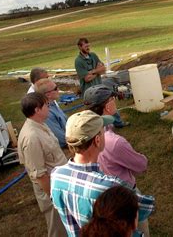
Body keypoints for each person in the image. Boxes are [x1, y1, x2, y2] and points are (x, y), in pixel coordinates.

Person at [50, 110, 154, 237]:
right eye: (103, 131)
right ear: (97, 140)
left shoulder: (56, 176)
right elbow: (143, 209)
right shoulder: (110, 186)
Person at [84, 85, 149, 236]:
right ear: (107, 106)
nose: (115, 101)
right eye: (113, 99)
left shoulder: (86, 131)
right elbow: (141, 165)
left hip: (102, 197)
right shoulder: (114, 142)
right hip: (124, 196)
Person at [17, 92, 68, 237]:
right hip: (51, 191)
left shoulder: (41, 125)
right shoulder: (32, 137)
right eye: (46, 105)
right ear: (37, 110)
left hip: (59, 185)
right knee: (58, 230)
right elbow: (39, 175)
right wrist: (54, 197)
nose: (49, 107)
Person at [74, 37, 129, 128]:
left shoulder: (93, 56)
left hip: (99, 87)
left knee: (110, 103)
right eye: (85, 46)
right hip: (89, 91)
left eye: (88, 45)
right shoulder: (78, 61)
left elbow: (103, 69)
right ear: (80, 47)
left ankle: (118, 123)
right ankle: (97, 128)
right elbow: (87, 79)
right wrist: (97, 71)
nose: (88, 47)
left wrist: (93, 72)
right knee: (93, 111)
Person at [36, 78, 67, 148]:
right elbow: (60, 139)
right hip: (63, 149)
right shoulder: (47, 113)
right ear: (48, 95)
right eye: (55, 88)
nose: (58, 90)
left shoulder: (52, 104)